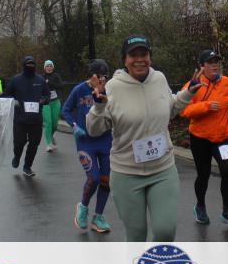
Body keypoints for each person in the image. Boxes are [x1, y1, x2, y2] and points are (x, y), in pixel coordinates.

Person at [86, 35, 201, 242]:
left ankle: (156, 261)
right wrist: (99, 106)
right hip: (127, 173)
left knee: (165, 231)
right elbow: (94, 130)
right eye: (133, 55)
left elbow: (170, 108)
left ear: (150, 57)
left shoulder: (159, 79)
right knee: (136, 236)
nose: (139, 59)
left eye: (144, 54)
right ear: (125, 60)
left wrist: (188, 92)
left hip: (162, 169)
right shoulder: (113, 87)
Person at [181, 49, 228, 228]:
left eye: (217, 62)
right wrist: (206, 106)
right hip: (200, 138)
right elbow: (184, 110)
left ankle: (227, 211)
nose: (215, 65)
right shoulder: (193, 85)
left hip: (223, 137)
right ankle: (200, 206)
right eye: (210, 62)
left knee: (227, 172)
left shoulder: (227, 82)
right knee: (203, 174)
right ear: (202, 66)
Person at [62, 59, 113, 233]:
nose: (102, 79)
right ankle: (83, 207)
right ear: (91, 75)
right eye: (99, 76)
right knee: (94, 178)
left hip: (105, 140)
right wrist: (74, 126)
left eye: (105, 76)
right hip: (85, 141)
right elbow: (65, 110)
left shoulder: (109, 90)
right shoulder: (79, 90)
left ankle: (98, 217)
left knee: (106, 180)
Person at [5, 56, 49, 177]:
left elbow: (47, 94)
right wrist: (15, 102)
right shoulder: (16, 80)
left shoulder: (40, 80)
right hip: (20, 119)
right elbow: (7, 94)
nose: (30, 67)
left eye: (32, 65)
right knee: (19, 143)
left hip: (36, 119)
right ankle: (17, 156)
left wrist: (43, 100)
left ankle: (27, 166)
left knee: (34, 144)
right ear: (24, 66)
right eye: (28, 65)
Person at [41, 60, 63, 153]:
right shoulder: (41, 77)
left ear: (53, 67)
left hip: (55, 102)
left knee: (54, 124)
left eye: (50, 66)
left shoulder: (56, 76)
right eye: (47, 66)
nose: (49, 68)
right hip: (46, 102)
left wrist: (49, 83)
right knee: (48, 122)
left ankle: (52, 135)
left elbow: (60, 86)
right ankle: (48, 144)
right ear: (44, 68)